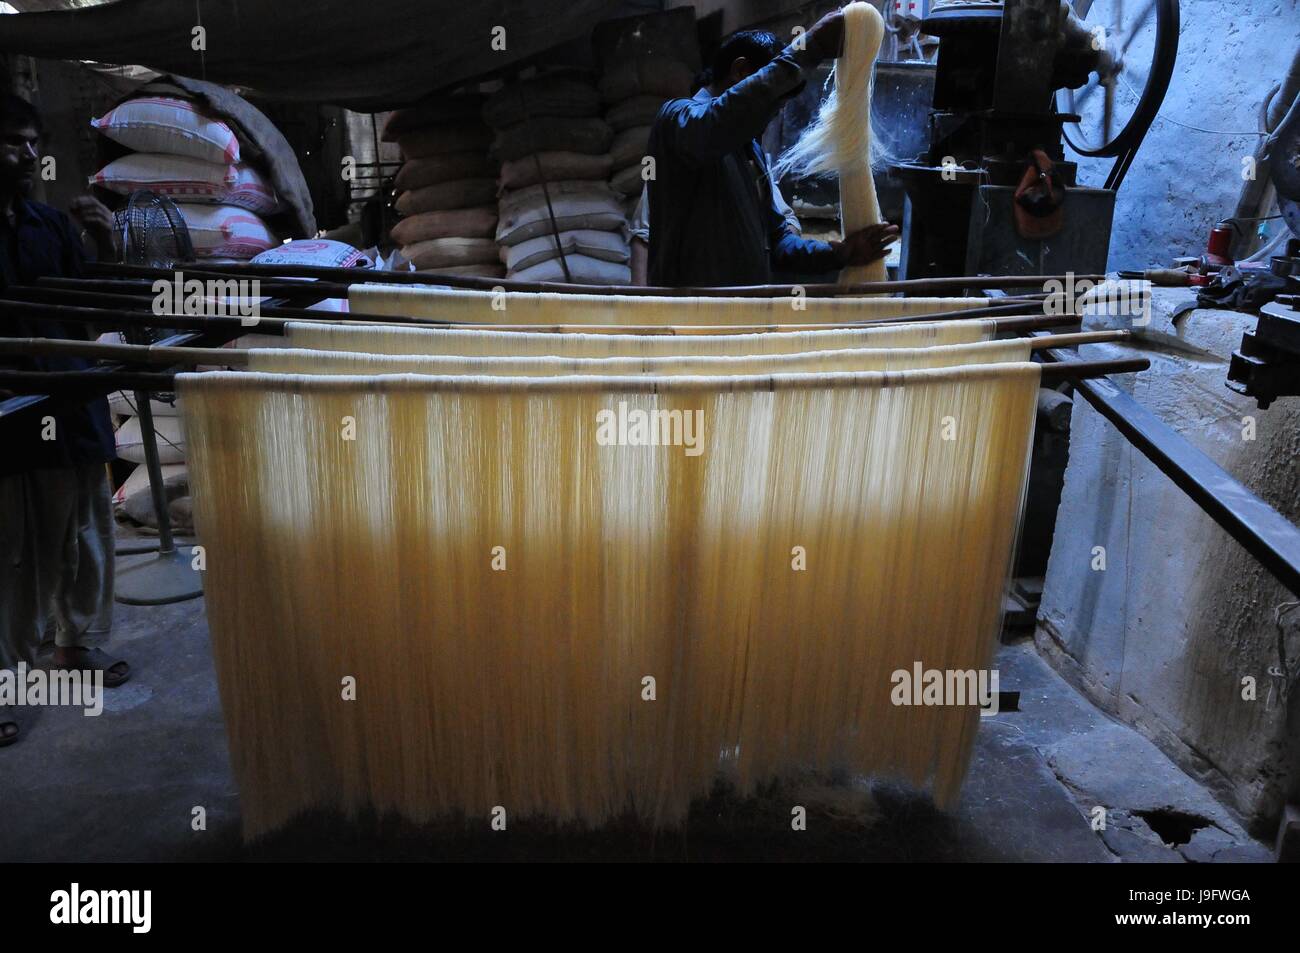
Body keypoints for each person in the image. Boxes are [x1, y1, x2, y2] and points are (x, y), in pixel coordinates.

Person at [0, 93, 129, 749]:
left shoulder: (48, 226)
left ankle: (76, 646)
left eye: (30, 142)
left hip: (71, 398)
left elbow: (92, 308)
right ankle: (6, 677)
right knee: (12, 553)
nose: (26, 155)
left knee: (85, 532)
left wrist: (103, 240)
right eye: (11, 142)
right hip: (8, 415)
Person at [645, 8, 899, 287]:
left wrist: (840, 253)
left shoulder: (750, 154)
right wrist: (809, 48)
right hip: (687, 318)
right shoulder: (677, 119)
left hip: (738, 318)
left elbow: (779, 244)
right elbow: (717, 125)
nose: (774, 113)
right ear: (741, 71)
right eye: (776, 102)